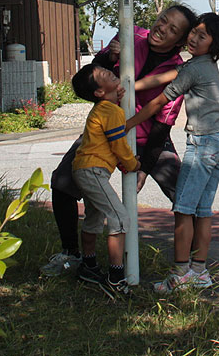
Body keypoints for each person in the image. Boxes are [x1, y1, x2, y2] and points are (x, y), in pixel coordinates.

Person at [41, 4, 197, 277]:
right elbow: (90, 79)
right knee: (62, 182)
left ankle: (191, 265)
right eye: (163, 20)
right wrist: (108, 56)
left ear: (180, 42)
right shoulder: (130, 35)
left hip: (147, 136)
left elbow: (162, 125)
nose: (162, 28)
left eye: (173, 29)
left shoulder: (178, 70)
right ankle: (71, 254)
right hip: (103, 132)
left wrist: (145, 168)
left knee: (183, 195)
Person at [125, 13, 219, 293]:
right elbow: (164, 77)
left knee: (183, 211)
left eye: (202, 36)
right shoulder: (203, 64)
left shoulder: (194, 69)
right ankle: (199, 272)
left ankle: (180, 274)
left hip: (203, 144)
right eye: (193, 32)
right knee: (202, 212)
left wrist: (128, 124)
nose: (193, 38)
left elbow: (159, 101)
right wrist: (130, 86)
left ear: (213, 44)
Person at [68, 63, 140, 295]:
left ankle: (88, 266)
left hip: (84, 168)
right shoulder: (111, 111)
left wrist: (115, 97)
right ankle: (116, 278)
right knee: (119, 218)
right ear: (99, 91)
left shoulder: (104, 108)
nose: (108, 71)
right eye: (103, 74)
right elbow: (119, 144)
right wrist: (133, 164)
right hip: (93, 170)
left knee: (94, 218)